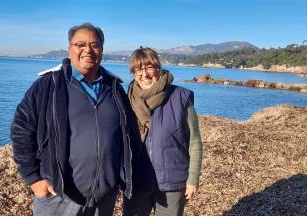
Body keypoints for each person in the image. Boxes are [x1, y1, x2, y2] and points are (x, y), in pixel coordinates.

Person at [11, 23, 137, 216]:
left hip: (103, 199)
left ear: (102, 50)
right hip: (60, 197)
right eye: (80, 44)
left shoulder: (115, 89)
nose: (88, 50)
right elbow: (21, 130)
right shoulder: (48, 85)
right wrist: (33, 178)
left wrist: (121, 178)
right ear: (70, 48)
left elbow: (127, 134)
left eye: (94, 45)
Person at [123, 47, 203, 216]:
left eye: (149, 67)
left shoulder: (180, 97)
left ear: (158, 68)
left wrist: (193, 178)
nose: (144, 74)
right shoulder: (126, 100)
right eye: (138, 69)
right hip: (137, 181)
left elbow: (194, 141)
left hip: (172, 182)